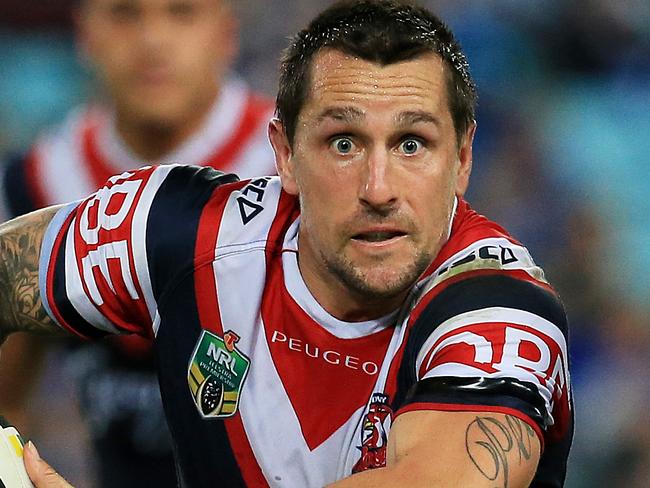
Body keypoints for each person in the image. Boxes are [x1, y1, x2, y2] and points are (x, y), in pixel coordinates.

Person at [0, 1, 573, 486]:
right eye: (343, 143)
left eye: (412, 144)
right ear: (284, 154)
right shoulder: (170, 230)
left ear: (463, 159)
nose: (379, 189)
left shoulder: (500, 311)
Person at [0, 0, 275, 486]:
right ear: (85, 33)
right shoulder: (39, 180)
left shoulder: (293, 167)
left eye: (181, 13)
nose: (152, 41)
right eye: (126, 13)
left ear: (225, 33)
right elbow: (8, 397)